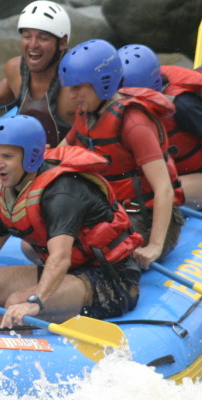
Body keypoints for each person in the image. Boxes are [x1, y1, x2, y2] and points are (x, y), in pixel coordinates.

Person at [0, 115, 143, 329]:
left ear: (31, 156)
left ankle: (23, 357)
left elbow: (60, 258)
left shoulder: (61, 194)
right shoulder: (10, 192)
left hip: (109, 280)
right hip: (71, 272)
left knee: (17, 302)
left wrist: (36, 301)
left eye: (8, 156)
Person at [56, 39, 184, 268]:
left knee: (90, 251)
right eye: (70, 88)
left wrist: (155, 245)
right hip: (111, 210)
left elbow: (163, 188)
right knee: (45, 242)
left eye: (78, 87)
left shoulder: (134, 123)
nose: (72, 95)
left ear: (101, 83)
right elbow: (58, 155)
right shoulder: (87, 114)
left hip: (145, 216)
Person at [118, 44, 202, 229]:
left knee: (155, 194)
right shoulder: (125, 109)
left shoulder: (183, 106)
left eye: (127, 95)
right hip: (166, 177)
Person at [0, 0, 75, 146]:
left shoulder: (76, 86)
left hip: (66, 163)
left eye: (43, 38)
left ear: (62, 43)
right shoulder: (15, 69)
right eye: (27, 36)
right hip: (25, 160)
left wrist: (57, 154)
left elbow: (95, 138)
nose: (33, 44)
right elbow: (9, 87)